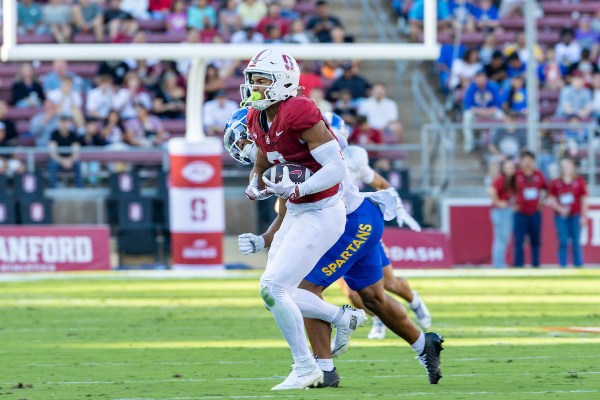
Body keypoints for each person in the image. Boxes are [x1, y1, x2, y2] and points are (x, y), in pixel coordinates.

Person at [224, 108, 444, 387]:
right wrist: (263, 238)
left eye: (244, 140)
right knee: (373, 298)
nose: (244, 147)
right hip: (359, 218)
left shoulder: (294, 137)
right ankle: (425, 344)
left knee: (301, 289)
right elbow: (286, 211)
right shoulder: (280, 151)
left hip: (349, 223)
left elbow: (336, 143)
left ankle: (325, 368)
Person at [238, 49, 351, 390]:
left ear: (283, 82)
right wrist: (255, 185)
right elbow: (262, 161)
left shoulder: (299, 110)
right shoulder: (256, 118)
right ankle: (343, 318)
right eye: (252, 80)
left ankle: (306, 367)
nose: (254, 87)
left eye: (262, 80)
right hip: (298, 212)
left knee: (272, 288)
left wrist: (300, 189)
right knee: (278, 291)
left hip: (323, 210)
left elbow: (336, 168)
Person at [325, 112, 431, 338]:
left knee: (389, 283)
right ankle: (379, 319)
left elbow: (381, 183)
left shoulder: (353, 158)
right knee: (353, 294)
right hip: (333, 232)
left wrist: (399, 209)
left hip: (357, 227)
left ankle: (414, 300)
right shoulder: (309, 159)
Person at [548, 158, 588, 268]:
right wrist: (560, 209)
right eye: (563, 166)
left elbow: (584, 199)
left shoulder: (579, 182)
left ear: (572, 167)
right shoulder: (556, 182)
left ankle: (578, 265)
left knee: (576, 242)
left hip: (575, 215)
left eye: (567, 165)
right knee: (563, 241)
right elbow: (551, 199)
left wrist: (583, 216)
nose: (565, 168)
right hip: (561, 216)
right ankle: (562, 265)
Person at [514, 151, 547, 268]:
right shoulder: (516, 175)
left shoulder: (538, 175)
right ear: (521, 162)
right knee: (519, 241)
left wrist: (543, 202)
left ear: (534, 162)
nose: (528, 164)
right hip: (520, 213)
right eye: (525, 161)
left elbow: (547, 189)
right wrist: (513, 203)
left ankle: (536, 264)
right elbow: (507, 190)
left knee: (536, 240)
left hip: (534, 212)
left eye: (530, 161)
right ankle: (518, 265)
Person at [462, 70, 503, 152]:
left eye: (482, 78)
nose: (480, 80)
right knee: (467, 115)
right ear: (475, 79)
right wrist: (480, 111)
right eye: (478, 78)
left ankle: (496, 142)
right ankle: (469, 143)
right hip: (476, 112)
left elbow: (497, 104)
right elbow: (468, 105)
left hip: (490, 112)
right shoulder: (471, 88)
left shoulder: (492, 87)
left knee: (500, 115)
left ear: (486, 78)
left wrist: (488, 111)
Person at [489, 159, 516, 268]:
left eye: (512, 167)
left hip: (506, 211)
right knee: (501, 238)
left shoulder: (511, 181)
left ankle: (500, 262)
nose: (511, 170)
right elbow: (491, 190)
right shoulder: (501, 179)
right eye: (508, 167)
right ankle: (498, 264)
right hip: (500, 211)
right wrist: (498, 202)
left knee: (504, 239)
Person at [48, 115, 83, 188]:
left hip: (70, 160)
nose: (64, 124)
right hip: (58, 160)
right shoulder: (54, 134)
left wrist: (70, 160)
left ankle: (80, 189)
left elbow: (76, 152)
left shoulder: (73, 134)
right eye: (62, 122)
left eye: (66, 122)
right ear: (59, 123)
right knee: (52, 164)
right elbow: (52, 153)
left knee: (78, 163)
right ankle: (53, 189)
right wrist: (62, 161)